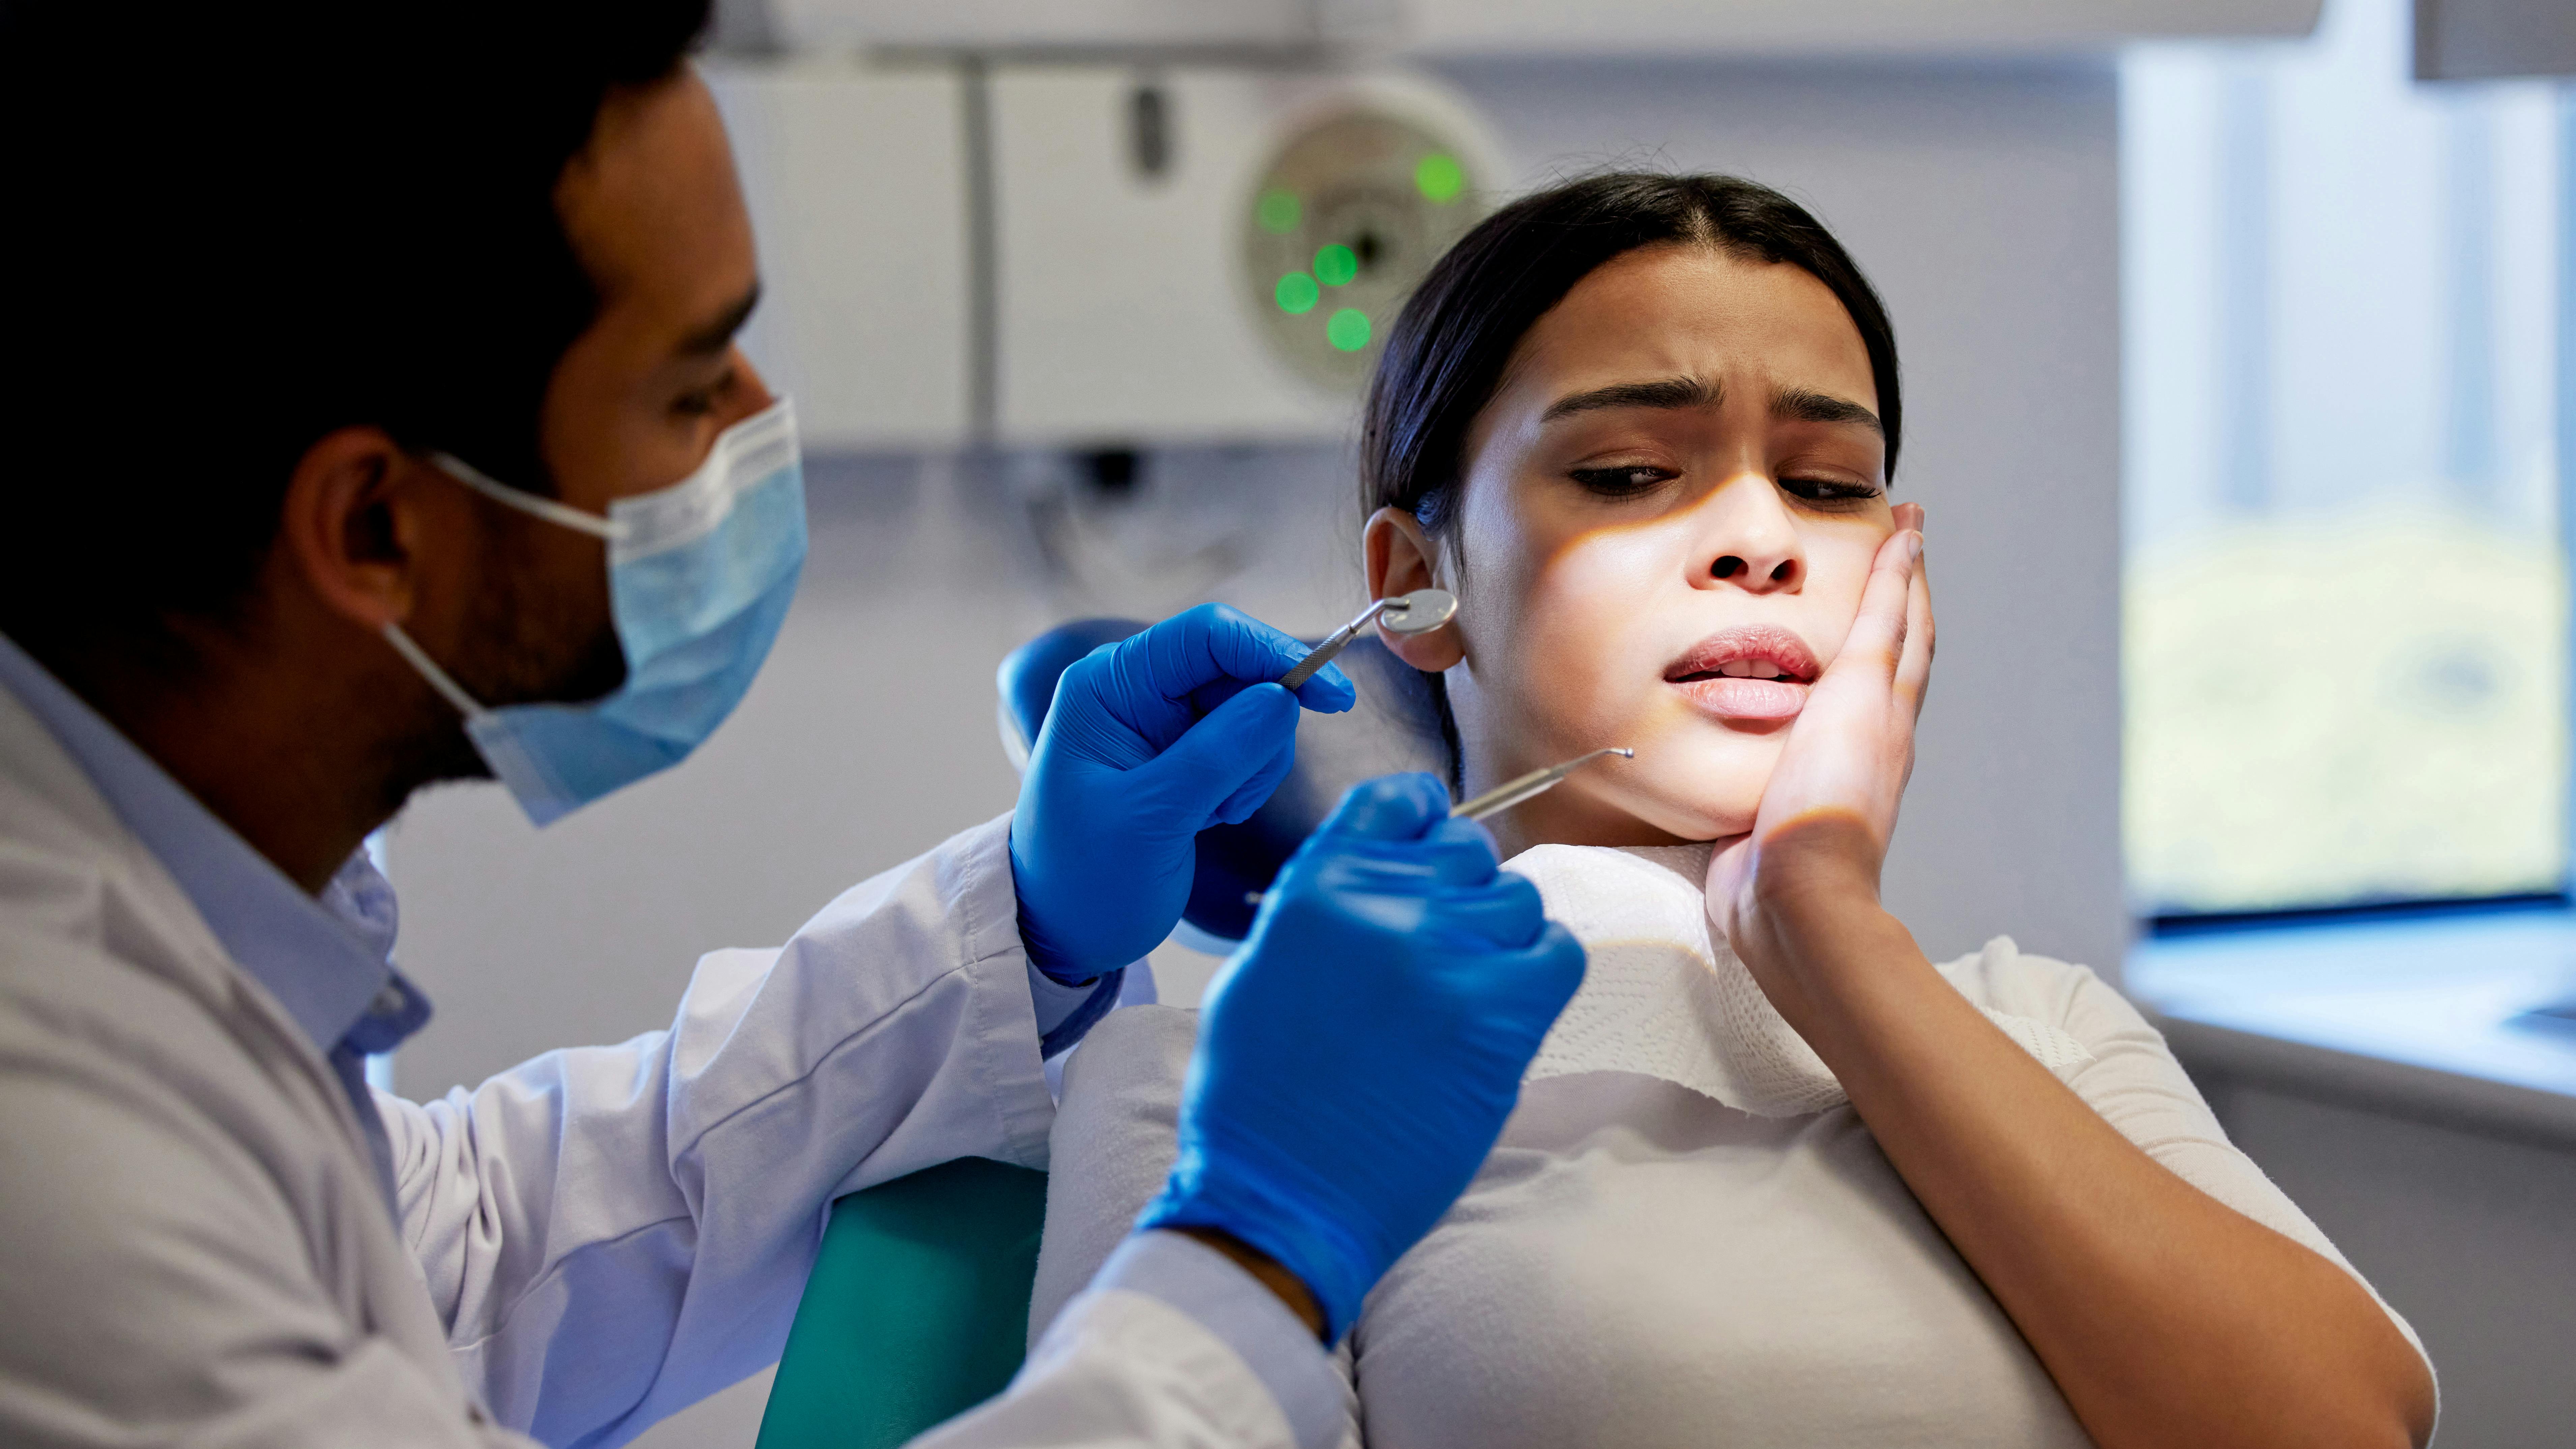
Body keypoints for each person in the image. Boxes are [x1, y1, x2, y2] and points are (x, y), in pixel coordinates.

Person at [0, 5, 1583, 1448]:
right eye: (689, 387)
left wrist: (1026, 927)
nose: (760, 424)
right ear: (371, 530)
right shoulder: (57, 1170)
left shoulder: (172, 896)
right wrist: (1256, 1245)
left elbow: (454, 1265)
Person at [1031, 174, 2439, 1449]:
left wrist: (1818, 924)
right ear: (1415, 580)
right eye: (1630, 473)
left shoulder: (2041, 1028)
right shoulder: (1224, 1088)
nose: (1761, 539)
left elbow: (2342, 1429)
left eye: (1828, 486)